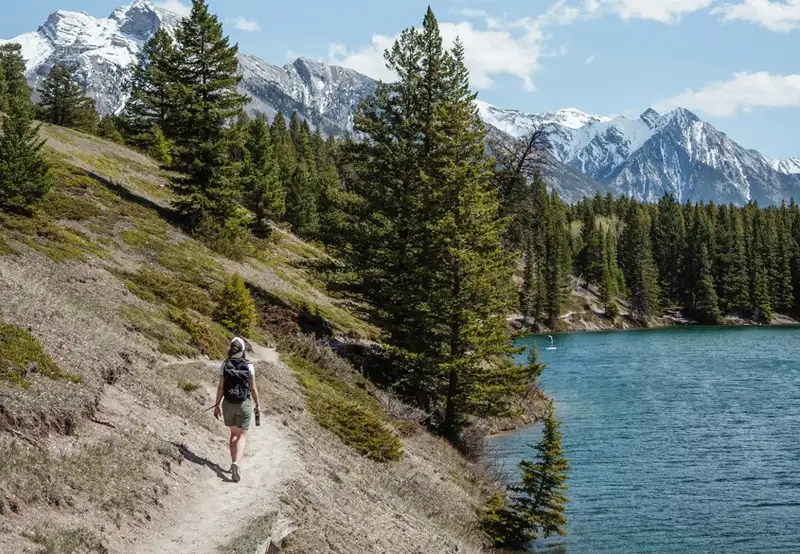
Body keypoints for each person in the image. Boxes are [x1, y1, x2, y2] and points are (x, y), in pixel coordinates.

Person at [213, 337, 260, 483]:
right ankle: (236, 463)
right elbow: (253, 387)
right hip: (243, 404)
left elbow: (220, 387)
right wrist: (257, 405)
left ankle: (233, 461)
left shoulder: (225, 364)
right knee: (242, 435)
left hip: (228, 404)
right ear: (243, 350)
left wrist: (216, 405)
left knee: (233, 433)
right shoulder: (249, 365)